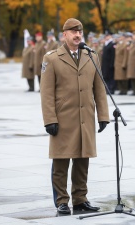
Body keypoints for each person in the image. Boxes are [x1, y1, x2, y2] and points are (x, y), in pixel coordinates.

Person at [40, 18, 110, 214]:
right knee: (61, 161)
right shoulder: (52, 58)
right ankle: (62, 200)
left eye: (80, 32)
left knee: (82, 160)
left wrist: (103, 115)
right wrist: (50, 120)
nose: (77, 35)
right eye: (73, 32)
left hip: (85, 117)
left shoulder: (91, 56)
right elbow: (46, 93)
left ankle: (80, 199)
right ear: (65, 35)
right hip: (63, 119)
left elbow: (99, 88)